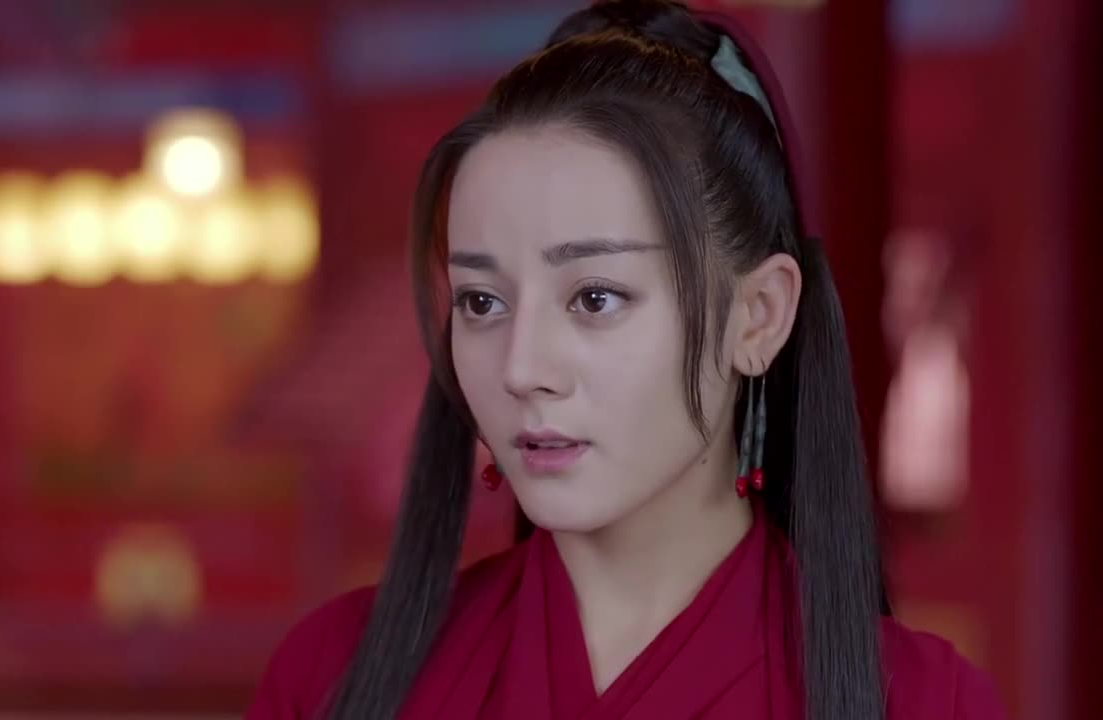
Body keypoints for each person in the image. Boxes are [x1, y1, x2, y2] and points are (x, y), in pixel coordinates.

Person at [246, 1, 1004, 718]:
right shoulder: (334, 674)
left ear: (759, 315)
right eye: (482, 301)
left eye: (595, 297)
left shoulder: (922, 702)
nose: (520, 368)